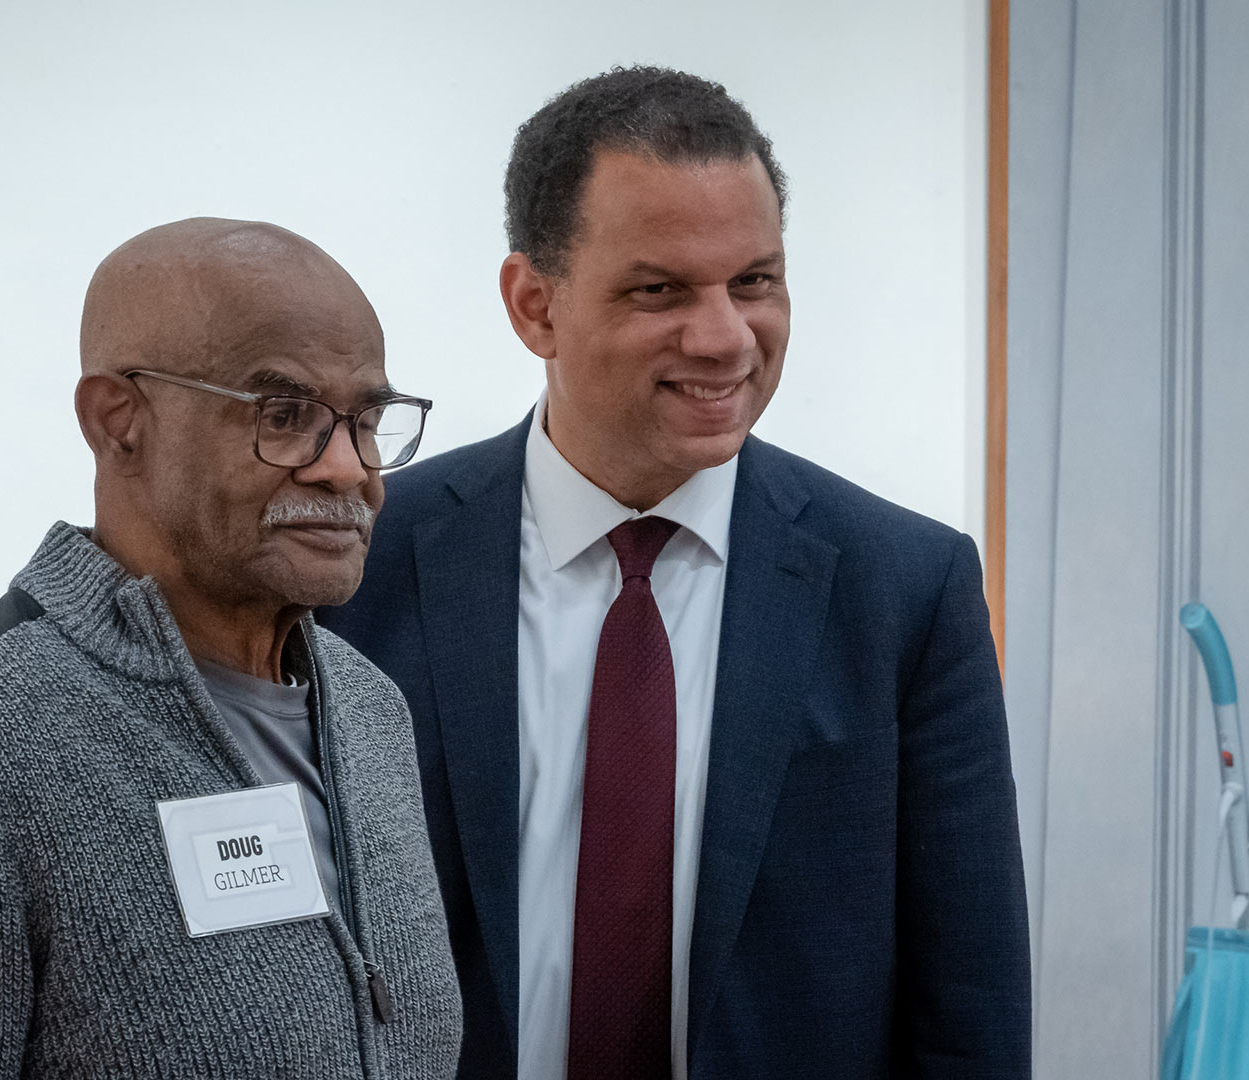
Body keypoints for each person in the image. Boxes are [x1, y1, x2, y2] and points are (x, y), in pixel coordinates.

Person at [318, 66, 1030, 1079]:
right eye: (660, 290)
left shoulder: (907, 590)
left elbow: (972, 1008)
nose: (725, 337)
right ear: (535, 305)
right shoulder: (364, 567)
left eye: (755, 282)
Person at [0, 218, 463, 1078]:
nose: (347, 468)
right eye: (285, 415)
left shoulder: (370, 708)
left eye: (366, 419)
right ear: (119, 422)